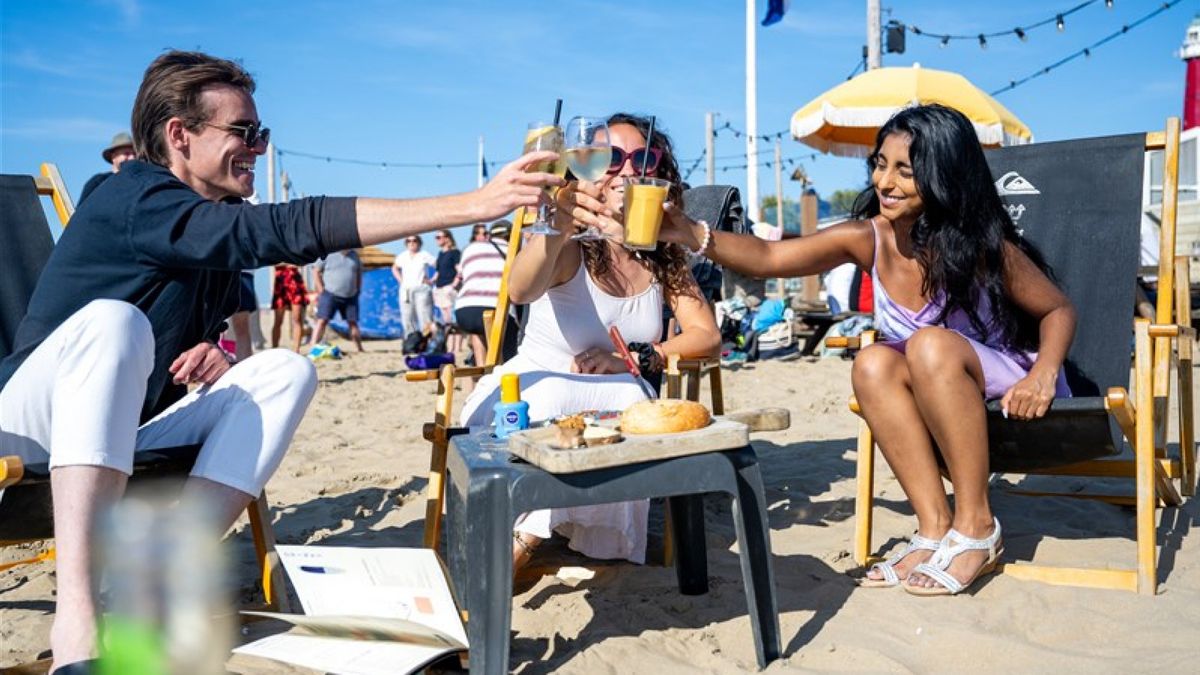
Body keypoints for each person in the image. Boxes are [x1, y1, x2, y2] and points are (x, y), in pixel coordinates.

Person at [0, 49, 562, 674]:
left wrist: (214, 349)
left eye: (260, 133)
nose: (259, 149)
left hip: (121, 429)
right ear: (179, 135)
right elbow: (292, 226)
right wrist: (474, 204)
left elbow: (208, 297)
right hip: (26, 425)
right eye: (244, 132)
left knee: (286, 370)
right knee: (114, 320)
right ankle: (78, 619)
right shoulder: (127, 195)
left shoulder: (207, 227)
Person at [659, 104, 1076, 596]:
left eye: (905, 169)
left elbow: (1058, 310)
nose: (886, 181)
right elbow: (771, 258)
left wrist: (1044, 373)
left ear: (943, 173)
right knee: (873, 361)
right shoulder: (869, 238)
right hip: (931, 382)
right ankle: (935, 525)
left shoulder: (982, 245)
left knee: (927, 345)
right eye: (880, 164)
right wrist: (690, 233)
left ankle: (978, 525)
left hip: (1008, 378)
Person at [459, 112, 721, 572]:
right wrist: (559, 222)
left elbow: (707, 336)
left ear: (657, 172)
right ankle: (528, 533)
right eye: (612, 158)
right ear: (588, 169)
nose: (626, 169)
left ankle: (538, 535)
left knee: (629, 397)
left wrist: (638, 357)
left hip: (612, 394)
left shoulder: (664, 254)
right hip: (527, 394)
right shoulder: (572, 243)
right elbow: (519, 290)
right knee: (563, 395)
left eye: (642, 157)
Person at [454, 219, 519, 376]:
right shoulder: (514, 251)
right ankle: (498, 377)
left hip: (465, 310)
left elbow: (460, 278)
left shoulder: (470, 248)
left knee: (478, 329)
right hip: (496, 310)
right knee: (506, 354)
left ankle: (483, 372)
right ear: (511, 235)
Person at [310, 248, 364, 352]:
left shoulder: (354, 255)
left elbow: (359, 273)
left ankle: (359, 348)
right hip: (330, 294)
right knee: (322, 320)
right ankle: (313, 345)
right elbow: (316, 270)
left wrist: (358, 290)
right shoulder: (327, 253)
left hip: (351, 295)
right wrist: (321, 289)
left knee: (353, 322)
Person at [391, 236, 436, 337]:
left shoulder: (424, 255)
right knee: (407, 317)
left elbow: (439, 266)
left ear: (419, 242)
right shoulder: (402, 256)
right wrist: (401, 280)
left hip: (422, 289)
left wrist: (432, 280)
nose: (411, 243)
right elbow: (394, 268)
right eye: (408, 241)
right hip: (406, 290)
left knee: (425, 317)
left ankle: (427, 341)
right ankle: (411, 341)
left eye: (414, 240)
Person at [78, 132, 136, 204]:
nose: (132, 157)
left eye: (134, 154)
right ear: (114, 157)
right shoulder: (98, 182)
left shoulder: (141, 183)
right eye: (127, 153)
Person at [431, 229, 463, 353]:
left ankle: (457, 347)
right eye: (436, 237)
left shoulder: (455, 252)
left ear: (447, 238)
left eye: (439, 237)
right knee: (446, 320)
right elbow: (438, 272)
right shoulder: (440, 254)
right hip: (439, 288)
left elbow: (460, 270)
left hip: (449, 288)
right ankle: (450, 346)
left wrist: (454, 285)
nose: (437, 240)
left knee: (453, 319)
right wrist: (430, 282)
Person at [270, 263, 310, 352]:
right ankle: (274, 349)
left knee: (297, 319)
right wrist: (290, 263)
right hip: (280, 282)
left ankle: (296, 350)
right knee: (278, 321)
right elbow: (272, 261)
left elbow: (301, 263)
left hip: (294, 281)